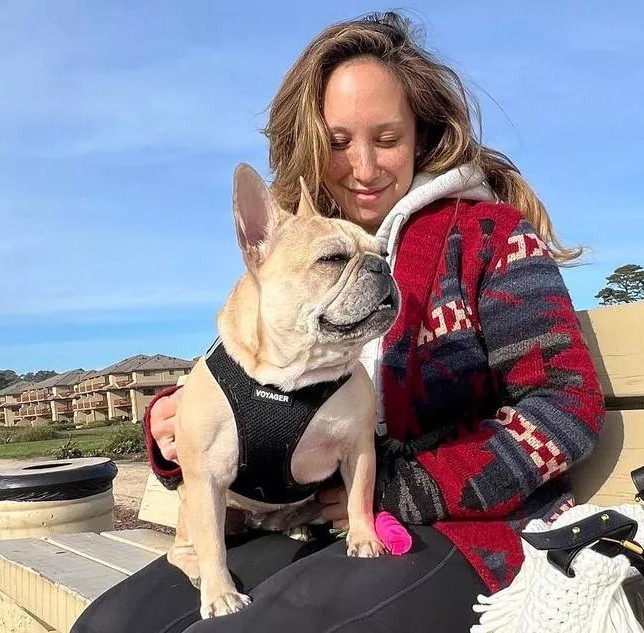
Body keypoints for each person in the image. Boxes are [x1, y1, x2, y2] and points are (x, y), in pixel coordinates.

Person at [72, 11, 605, 633]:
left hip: (467, 529)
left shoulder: (489, 237)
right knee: (111, 624)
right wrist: (179, 424)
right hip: (310, 519)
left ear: (422, 136)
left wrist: (404, 488)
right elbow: (255, 375)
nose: (365, 167)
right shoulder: (301, 243)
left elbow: (566, 405)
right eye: (339, 141)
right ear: (308, 141)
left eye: (387, 139)